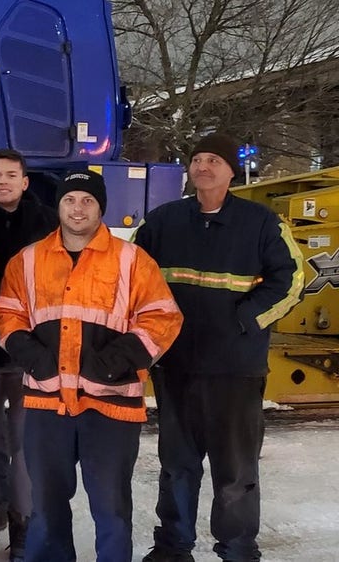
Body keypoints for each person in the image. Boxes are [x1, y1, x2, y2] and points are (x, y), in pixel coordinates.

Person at [0, 170, 183, 562]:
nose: (77, 209)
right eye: (69, 200)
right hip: (47, 405)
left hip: (111, 406)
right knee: (45, 508)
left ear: (101, 207)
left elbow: (163, 317)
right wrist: (34, 358)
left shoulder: (133, 260)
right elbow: (7, 313)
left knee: (111, 509)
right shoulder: (27, 261)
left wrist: (114, 361)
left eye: (87, 201)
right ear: (58, 206)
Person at [135, 134, 304, 562]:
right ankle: (173, 547)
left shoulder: (261, 224)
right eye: (197, 159)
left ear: (231, 171)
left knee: (235, 472)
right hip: (176, 367)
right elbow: (131, 277)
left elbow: (293, 280)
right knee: (176, 466)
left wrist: (244, 319)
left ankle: (238, 549)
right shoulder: (162, 221)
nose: (204, 166)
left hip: (235, 368)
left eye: (214, 160)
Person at [0, 149, 58, 562]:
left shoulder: (48, 224)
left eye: (11, 175)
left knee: (25, 444)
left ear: (25, 182)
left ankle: (24, 521)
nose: (3, 181)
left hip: (31, 354)